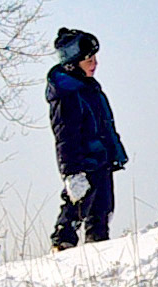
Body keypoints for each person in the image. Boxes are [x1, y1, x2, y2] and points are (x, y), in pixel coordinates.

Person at [46, 27, 126, 247]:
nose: (95, 63)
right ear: (74, 62)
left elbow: (104, 125)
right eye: (89, 59)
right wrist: (71, 172)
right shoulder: (67, 94)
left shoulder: (89, 89)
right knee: (76, 206)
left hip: (102, 160)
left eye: (95, 58)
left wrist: (113, 150)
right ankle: (61, 245)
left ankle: (97, 251)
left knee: (102, 211)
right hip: (84, 163)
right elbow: (65, 135)